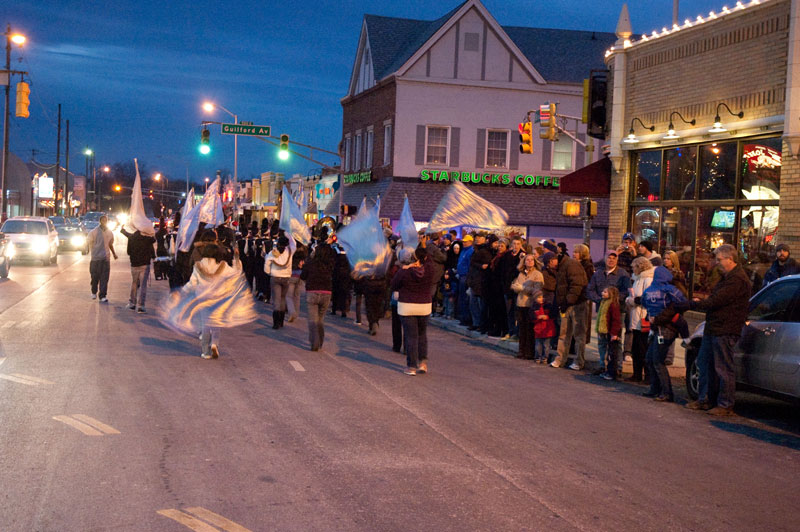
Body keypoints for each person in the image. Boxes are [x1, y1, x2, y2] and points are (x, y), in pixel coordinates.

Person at [161, 229, 257, 359]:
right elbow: (236, 271)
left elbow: (192, 284)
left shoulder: (199, 266)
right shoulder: (222, 266)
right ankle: (214, 344)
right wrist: (236, 258)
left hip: (203, 298)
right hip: (218, 298)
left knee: (205, 324)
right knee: (216, 323)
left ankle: (205, 352)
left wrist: (181, 292)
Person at [683, 244, 751, 416]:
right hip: (714, 327)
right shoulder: (726, 278)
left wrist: (694, 304)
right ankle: (705, 399)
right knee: (704, 364)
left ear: (731, 259)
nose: (717, 263)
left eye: (720, 260)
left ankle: (725, 404)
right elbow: (715, 299)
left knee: (723, 368)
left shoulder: (737, 280)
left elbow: (717, 301)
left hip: (725, 328)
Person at [641, 266, 687, 401]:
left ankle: (666, 392)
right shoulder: (671, 290)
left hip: (666, 328)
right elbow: (683, 302)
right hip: (659, 328)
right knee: (651, 359)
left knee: (657, 360)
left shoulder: (651, 290)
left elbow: (644, 303)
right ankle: (656, 388)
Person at [391, 246, 435, 375]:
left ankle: (411, 366)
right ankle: (423, 363)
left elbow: (394, 285)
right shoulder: (429, 271)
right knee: (422, 334)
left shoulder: (404, 272)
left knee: (411, 336)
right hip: (424, 306)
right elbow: (429, 261)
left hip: (407, 306)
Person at [587, 251, 631, 374]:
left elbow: (626, 291)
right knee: (601, 339)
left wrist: (613, 299)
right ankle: (602, 365)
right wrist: (599, 300)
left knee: (616, 339)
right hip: (602, 311)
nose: (611, 260)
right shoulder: (598, 274)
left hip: (617, 311)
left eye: (614, 258)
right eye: (609, 258)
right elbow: (590, 289)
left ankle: (617, 367)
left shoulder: (622, 274)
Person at [550, 251, 589, 369]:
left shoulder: (571, 265)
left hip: (577, 305)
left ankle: (578, 361)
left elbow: (577, 285)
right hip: (566, 304)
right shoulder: (562, 267)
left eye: (549, 262)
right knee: (564, 333)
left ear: (554, 259)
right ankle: (560, 359)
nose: (549, 265)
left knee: (579, 334)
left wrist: (568, 301)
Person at [300, 230, 336, 351]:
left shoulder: (311, 262)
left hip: (312, 291)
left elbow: (303, 276)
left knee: (312, 319)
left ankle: (314, 341)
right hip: (326, 292)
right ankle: (320, 340)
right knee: (320, 319)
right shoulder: (330, 264)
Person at [625, 257, 655, 382]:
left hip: (643, 318)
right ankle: (636, 374)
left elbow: (647, 298)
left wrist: (633, 300)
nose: (632, 269)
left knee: (643, 348)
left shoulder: (647, 280)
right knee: (636, 348)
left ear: (640, 267)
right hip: (636, 317)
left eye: (634, 267)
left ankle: (647, 375)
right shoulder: (638, 279)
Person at [511, 254, 543, 360]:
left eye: (531, 260)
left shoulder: (537, 274)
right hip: (520, 304)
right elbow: (515, 285)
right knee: (522, 328)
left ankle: (529, 352)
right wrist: (515, 287)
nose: (529, 262)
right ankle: (521, 351)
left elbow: (537, 290)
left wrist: (523, 288)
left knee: (530, 329)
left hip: (530, 305)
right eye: (527, 260)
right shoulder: (521, 274)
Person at [120, 225, 156, 313]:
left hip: (134, 264)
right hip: (144, 264)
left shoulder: (132, 238)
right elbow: (153, 240)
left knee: (134, 283)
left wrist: (123, 230)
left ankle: (132, 303)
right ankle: (141, 306)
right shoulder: (147, 239)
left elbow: (128, 252)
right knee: (143, 285)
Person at [265, 234, 296, 329]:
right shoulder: (290, 251)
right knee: (283, 299)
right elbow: (293, 243)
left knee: (276, 300)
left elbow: (266, 265)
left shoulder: (272, 253)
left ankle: (276, 323)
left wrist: (269, 272)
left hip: (275, 277)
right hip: (286, 277)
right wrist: (289, 233)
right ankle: (281, 321)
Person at [87, 215, 118, 302]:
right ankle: (94, 291)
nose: (104, 221)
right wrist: (93, 251)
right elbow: (89, 243)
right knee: (94, 277)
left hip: (105, 259)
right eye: (103, 220)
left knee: (104, 278)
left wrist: (114, 254)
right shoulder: (93, 232)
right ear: (100, 221)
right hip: (95, 259)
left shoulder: (110, 233)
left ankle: (102, 295)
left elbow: (110, 244)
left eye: (106, 220)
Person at [595, 286, 622, 380]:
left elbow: (616, 320)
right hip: (604, 331)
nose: (603, 293)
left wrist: (614, 333)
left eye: (605, 292)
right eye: (603, 291)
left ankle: (612, 372)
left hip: (610, 332)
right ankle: (605, 369)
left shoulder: (613, 305)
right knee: (605, 351)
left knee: (612, 353)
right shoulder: (603, 303)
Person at [501, 237, 526, 339]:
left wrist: (521, 259)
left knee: (517, 311)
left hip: (518, 287)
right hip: (508, 287)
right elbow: (503, 271)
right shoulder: (507, 255)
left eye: (518, 244)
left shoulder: (522, 256)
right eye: (514, 244)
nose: (516, 246)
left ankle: (517, 333)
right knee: (509, 310)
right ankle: (510, 331)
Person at [467, 232, 492, 332]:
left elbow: (484, 265)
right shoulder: (476, 250)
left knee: (479, 304)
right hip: (474, 280)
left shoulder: (484, 251)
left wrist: (479, 266)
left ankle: (479, 324)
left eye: (480, 238)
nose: (477, 239)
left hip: (480, 281)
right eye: (476, 237)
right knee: (473, 303)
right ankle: (476, 323)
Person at [487, 238, 509, 337]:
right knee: (495, 309)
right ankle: (496, 329)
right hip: (494, 286)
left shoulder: (505, 257)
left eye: (502, 246)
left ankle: (503, 330)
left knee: (501, 310)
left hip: (500, 286)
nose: (500, 248)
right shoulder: (496, 256)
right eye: (499, 246)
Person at [574, 244, 594, 345]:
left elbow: (589, 283)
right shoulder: (574, 264)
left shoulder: (587, 266)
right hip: (574, 298)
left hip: (581, 298)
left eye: (576, 252)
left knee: (580, 326)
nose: (574, 254)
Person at [531, 291, 557, 364]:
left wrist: (547, 317)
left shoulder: (548, 306)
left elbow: (553, 315)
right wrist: (538, 317)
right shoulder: (534, 307)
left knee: (546, 345)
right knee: (538, 345)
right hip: (538, 329)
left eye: (542, 297)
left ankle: (545, 357)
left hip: (547, 329)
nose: (541, 299)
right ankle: (538, 357)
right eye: (539, 297)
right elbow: (531, 317)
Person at [456, 234, 474, 326]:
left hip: (465, 276)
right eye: (463, 241)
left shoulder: (470, 251)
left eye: (466, 241)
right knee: (462, 298)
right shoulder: (464, 250)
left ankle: (466, 318)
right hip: (461, 275)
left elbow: (469, 265)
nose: (464, 243)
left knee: (464, 298)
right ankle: (463, 317)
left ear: (470, 242)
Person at [286, 243, 307, 323]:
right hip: (300, 274)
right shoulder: (304, 251)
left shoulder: (290, 250)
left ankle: (292, 312)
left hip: (291, 273)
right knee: (297, 295)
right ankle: (297, 313)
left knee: (289, 296)